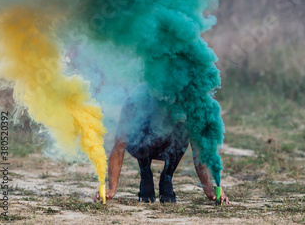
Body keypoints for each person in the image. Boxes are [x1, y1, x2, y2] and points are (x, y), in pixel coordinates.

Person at [94, 83, 229, 204]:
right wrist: (111, 189)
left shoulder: (187, 102)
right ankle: (145, 173)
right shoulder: (136, 100)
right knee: (138, 136)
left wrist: (209, 188)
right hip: (141, 144)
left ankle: (167, 176)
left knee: (182, 135)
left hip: (170, 146)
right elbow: (119, 147)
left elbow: (198, 149)